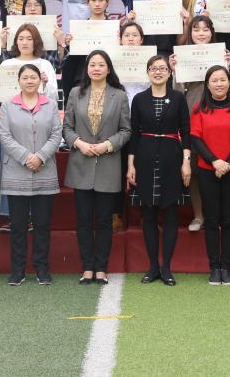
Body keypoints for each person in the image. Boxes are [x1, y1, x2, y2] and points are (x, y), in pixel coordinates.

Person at [63, 50, 132, 284]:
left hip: (108, 164)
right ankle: (87, 268)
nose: (96, 68)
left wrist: (107, 145)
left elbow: (126, 130)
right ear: (87, 68)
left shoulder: (119, 95)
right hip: (81, 163)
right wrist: (79, 143)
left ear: (108, 69)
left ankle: (101, 268)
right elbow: (67, 127)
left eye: (101, 65)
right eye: (92, 64)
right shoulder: (75, 93)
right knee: (83, 220)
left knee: (104, 220)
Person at [0, 63, 62, 285]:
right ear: (19, 81)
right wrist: (26, 157)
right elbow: (5, 137)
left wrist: (40, 157)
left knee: (42, 225)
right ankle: (18, 270)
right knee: (18, 226)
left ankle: (42, 269)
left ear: (40, 80)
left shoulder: (50, 105)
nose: (30, 81)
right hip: (16, 171)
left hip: (44, 170)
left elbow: (56, 134)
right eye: (25, 77)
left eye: (33, 77)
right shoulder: (8, 105)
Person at [128, 55, 192, 286]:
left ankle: (167, 268)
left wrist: (186, 161)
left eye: (162, 68)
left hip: (171, 157)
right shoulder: (139, 99)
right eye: (153, 68)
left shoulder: (178, 98)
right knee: (148, 214)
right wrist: (130, 165)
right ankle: (153, 266)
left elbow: (186, 131)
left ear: (169, 72)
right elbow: (134, 133)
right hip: (144, 158)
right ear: (147, 72)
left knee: (171, 213)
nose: (158, 72)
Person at [170, 14, 230, 231]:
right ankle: (199, 216)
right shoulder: (182, 55)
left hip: (219, 115)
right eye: (196, 29)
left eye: (205, 29)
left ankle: (218, 216)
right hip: (192, 112)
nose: (201, 33)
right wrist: (175, 72)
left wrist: (227, 66)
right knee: (195, 167)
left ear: (212, 32)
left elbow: (227, 88)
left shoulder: (221, 54)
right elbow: (178, 93)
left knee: (219, 163)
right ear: (190, 33)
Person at [190, 65, 230, 285]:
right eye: (214, 80)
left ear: (229, 82)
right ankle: (214, 267)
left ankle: (227, 267)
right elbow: (196, 139)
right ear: (207, 84)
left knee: (229, 219)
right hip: (208, 170)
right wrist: (214, 161)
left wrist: (228, 163)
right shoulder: (199, 109)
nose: (219, 84)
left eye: (223, 79)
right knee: (212, 219)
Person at [60, 0, 112, 105]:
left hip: (108, 80)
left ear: (107, 3)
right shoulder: (79, 28)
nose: (97, 4)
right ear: (88, 3)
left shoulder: (115, 27)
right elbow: (70, 62)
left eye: (101, 0)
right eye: (93, 0)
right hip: (82, 79)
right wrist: (69, 44)